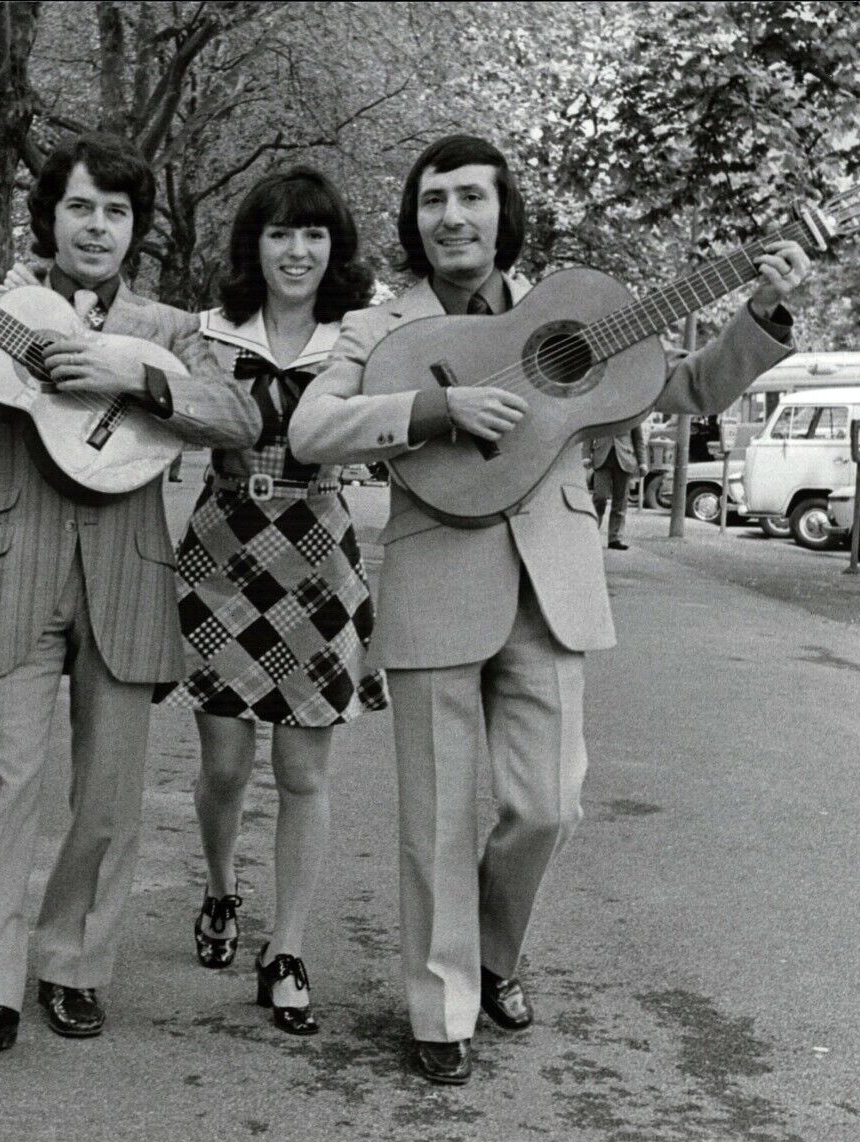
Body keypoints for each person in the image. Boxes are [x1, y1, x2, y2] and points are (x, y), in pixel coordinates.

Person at [288, 134, 810, 1084]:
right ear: (415, 218)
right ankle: (441, 1008)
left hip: (553, 585)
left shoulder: (565, 313)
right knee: (437, 816)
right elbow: (312, 427)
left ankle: (491, 954)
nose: (453, 216)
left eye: (473, 199)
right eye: (435, 199)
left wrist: (761, 311)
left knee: (548, 806)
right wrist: (433, 414)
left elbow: (680, 386)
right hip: (435, 577)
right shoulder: (381, 326)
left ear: (503, 214)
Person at [0, 133, 262, 1060]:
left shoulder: (169, 328)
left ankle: (72, 964)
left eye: (115, 211)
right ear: (50, 218)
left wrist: (134, 378)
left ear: (135, 229)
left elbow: (240, 418)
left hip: (130, 577)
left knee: (106, 798)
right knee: (5, 791)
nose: (98, 226)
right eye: (80, 207)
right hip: (16, 567)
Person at [156, 166, 386, 1035]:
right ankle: (219, 888)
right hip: (222, 557)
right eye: (281, 233)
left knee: (303, 773)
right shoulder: (207, 335)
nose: (298, 250)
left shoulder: (362, 338)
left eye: (315, 234)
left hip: (321, 562)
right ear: (256, 244)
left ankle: (286, 948)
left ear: (336, 249)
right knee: (223, 766)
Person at [587, 421, 648, 549]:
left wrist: (643, 462)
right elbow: (588, 434)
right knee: (600, 497)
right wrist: (586, 455)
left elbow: (638, 439)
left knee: (620, 501)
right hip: (602, 459)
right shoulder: (600, 411)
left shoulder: (632, 412)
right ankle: (591, 534)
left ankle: (615, 538)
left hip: (625, 459)